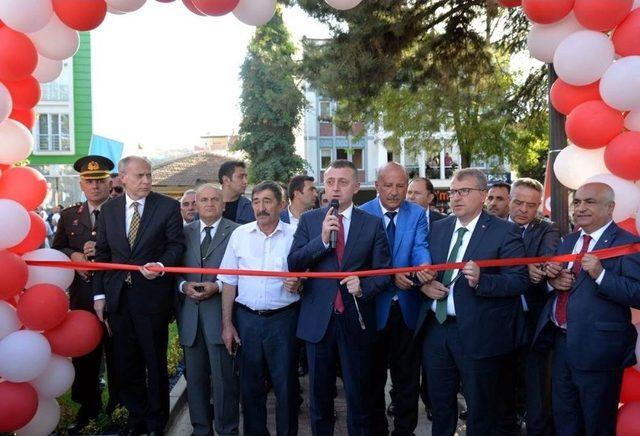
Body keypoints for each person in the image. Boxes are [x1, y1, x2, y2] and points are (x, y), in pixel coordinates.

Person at [414, 168, 528, 435]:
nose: (456, 197)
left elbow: (519, 280)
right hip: (436, 329)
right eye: (453, 191)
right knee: (440, 405)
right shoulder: (438, 228)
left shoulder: (504, 232)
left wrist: (482, 281)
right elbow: (421, 268)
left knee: (481, 408)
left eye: (464, 191)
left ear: (483, 195)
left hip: (479, 333)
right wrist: (424, 284)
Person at [288, 159, 391, 435]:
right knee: (319, 397)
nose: (335, 189)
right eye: (330, 182)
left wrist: (364, 286)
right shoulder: (311, 220)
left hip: (355, 320)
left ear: (356, 187)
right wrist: (321, 240)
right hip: (318, 321)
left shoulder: (372, 224)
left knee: (359, 396)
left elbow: (385, 273)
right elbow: (294, 262)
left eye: (343, 182)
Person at [533, 182, 640, 436]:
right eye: (577, 202)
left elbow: (637, 293)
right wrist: (553, 281)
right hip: (561, 345)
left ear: (610, 207)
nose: (580, 208)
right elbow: (559, 283)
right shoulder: (569, 240)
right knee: (565, 419)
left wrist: (601, 275)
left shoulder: (627, 243)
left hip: (599, 350)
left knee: (596, 422)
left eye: (589, 202)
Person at [93, 156, 185, 436]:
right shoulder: (109, 210)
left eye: (149, 175)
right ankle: (136, 418)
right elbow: (103, 255)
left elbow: (176, 245)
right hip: (119, 299)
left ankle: (157, 422)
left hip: (152, 299)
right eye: (139, 176)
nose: (146, 181)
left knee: (154, 362)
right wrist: (99, 295)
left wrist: (160, 265)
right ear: (122, 177)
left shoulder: (167, 206)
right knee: (126, 363)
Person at [220, 181, 301, 436]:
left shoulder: (296, 235)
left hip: (284, 321)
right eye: (256, 201)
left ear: (281, 203)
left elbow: (309, 275)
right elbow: (229, 281)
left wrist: (300, 282)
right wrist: (228, 325)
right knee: (251, 387)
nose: (261, 207)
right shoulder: (240, 235)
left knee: (286, 387)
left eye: (267, 201)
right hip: (247, 321)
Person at [360, 162, 431, 435]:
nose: (394, 192)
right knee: (373, 378)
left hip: (407, 308)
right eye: (388, 185)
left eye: (400, 186)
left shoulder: (416, 213)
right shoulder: (362, 214)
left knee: (407, 378)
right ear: (377, 186)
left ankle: (405, 430)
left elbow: (420, 248)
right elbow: (360, 262)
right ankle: (378, 429)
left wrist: (422, 269)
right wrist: (391, 277)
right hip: (373, 308)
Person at [52, 155, 117, 433]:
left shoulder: (122, 211)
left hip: (116, 295)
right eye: (89, 181)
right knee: (85, 355)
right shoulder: (69, 216)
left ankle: (119, 406)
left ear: (109, 182)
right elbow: (56, 250)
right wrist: (74, 256)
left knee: (119, 354)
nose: (95, 186)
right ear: (81, 183)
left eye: (100, 181)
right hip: (82, 297)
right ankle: (87, 408)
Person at [496, 178, 560, 436]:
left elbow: (547, 258)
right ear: (509, 200)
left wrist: (536, 268)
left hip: (533, 319)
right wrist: (524, 268)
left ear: (538, 208)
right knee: (501, 383)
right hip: (497, 317)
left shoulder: (548, 229)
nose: (523, 209)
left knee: (536, 385)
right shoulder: (492, 226)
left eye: (531, 205)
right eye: (518, 202)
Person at [177, 183, 240, 436]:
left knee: (225, 380)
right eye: (204, 200)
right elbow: (173, 271)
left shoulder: (238, 232)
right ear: (196, 203)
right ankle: (201, 429)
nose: (209, 203)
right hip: (190, 318)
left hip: (220, 317)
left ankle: (227, 429)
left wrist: (218, 286)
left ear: (223, 203)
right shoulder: (182, 233)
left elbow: (241, 272)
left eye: (215, 199)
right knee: (195, 382)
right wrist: (183, 286)